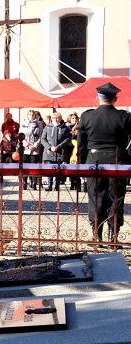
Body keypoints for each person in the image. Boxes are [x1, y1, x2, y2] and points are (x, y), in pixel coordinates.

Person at [77, 82, 131, 241]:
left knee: (95, 197)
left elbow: (81, 144)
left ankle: (96, 234)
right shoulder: (124, 117)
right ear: (116, 98)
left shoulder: (87, 116)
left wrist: (82, 164)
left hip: (94, 160)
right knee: (116, 198)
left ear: (98, 98)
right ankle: (113, 235)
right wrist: (127, 159)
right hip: (117, 161)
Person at [43, 112, 71, 191]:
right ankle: (49, 185)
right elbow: (43, 139)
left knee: (58, 171)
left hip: (60, 152)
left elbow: (67, 139)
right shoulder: (47, 128)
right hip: (49, 152)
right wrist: (49, 147)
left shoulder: (65, 128)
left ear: (60, 119)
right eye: (54, 118)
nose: (56, 119)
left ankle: (57, 185)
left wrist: (59, 147)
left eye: (57, 118)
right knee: (49, 170)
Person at [20, 110, 44, 189]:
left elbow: (41, 136)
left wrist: (35, 145)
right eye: (29, 115)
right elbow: (20, 135)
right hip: (26, 147)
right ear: (27, 115)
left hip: (35, 147)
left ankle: (34, 183)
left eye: (32, 115)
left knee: (34, 165)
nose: (31, 116)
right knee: (25, 165)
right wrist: (26, 144)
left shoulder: (39, 124)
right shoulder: (23, 124)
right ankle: (24, 183)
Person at [67, 113, 81, 192]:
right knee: (71, 166)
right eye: (73, 118)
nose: (74, 120)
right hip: (70, 148)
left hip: (77, 147)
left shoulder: (79, 127)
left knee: (78, 166)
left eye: (75, 118)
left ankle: (78, 183)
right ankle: (72, 183)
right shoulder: (68, 127)